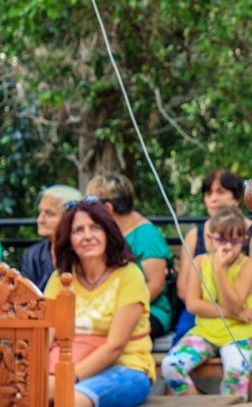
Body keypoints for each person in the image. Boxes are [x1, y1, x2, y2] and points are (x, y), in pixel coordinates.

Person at [45, 198, 155, 407]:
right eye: (78, 230)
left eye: (95, 228)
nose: (88, 236)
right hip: (66, 364)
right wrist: (41, 377)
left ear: (108, 233)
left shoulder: (129, 275)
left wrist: (64, 380)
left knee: (69, 401)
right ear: (69, 239)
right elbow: (45, 337)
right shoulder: (60, 278)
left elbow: (115, 347)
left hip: (126, 368)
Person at [161, 207, 252, 399]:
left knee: (235, 374)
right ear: (210, 238)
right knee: (170, 366)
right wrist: (236, 313)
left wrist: (219, 270)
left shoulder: (247, 266)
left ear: (244, 240)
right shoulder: (200, 262)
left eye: (234, 241)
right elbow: (193, 305)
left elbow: (235, 303)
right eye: (221, 240)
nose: (227, 247)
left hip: (241, 333)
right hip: (206, 332)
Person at [173, 169, 252, 342]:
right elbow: (183, 289)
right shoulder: (195, 235)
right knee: (181, 341)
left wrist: (235, 307)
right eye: (208, 193)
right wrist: (231, 312)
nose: (213, 198)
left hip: (246, 310)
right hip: (204, 312)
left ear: (237, 198)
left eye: (220, 192)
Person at [86, 172, 173, 339]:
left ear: (108, 208)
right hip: (108, 310)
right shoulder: (107, 232)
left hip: (149, 311)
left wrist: (121, 310)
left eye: (91, 206)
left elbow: (155, 285)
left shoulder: (146, 235)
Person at [21, 185, 83, 291]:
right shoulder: (32, 255)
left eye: (49, 214)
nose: (40, 220)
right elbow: (24, 296)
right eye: (40, 212)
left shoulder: (84, 252)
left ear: (70, 217)